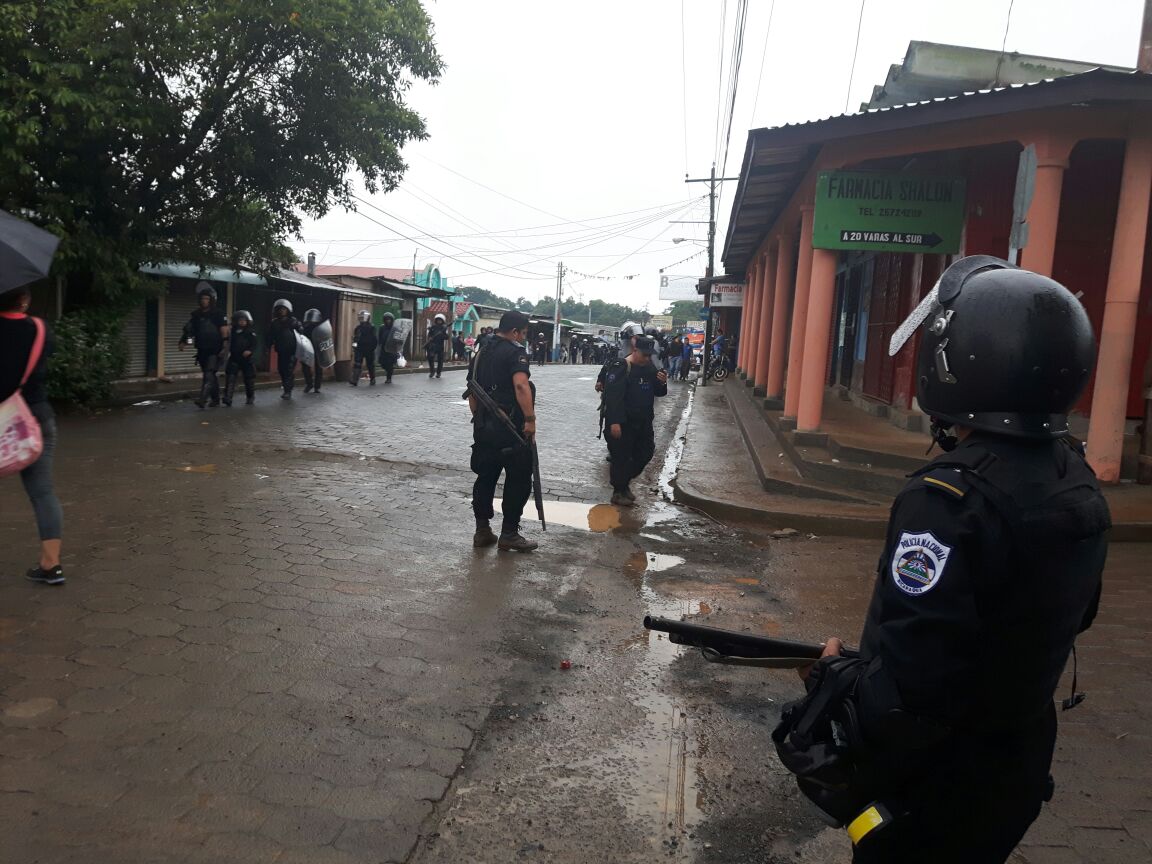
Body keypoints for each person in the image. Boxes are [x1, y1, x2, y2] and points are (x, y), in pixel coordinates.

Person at [774, 257, 1109, 864]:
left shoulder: (948, 500)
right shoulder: (1077, 480)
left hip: (932, 785)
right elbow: (1068, 616)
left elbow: (910, 688)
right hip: (1017, 762)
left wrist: (834, 678)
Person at [0, 286, 64, 585]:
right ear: (23, 298)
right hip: (34, 419)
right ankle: (51, 566)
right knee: (42, 492)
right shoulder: (40, 329)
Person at [467, 310, 538, 553]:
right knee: (518, 478)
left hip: (484, 426)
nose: (524, 338)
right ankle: (509, 533)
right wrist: (530, 420)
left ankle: (482, 530)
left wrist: (478, 420)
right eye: (524, 333)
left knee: (485, 476)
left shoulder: (480, 351)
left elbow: (472, 391)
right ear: (515, 331)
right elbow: (521, 385)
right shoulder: (515, 353)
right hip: (511, 428)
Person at [600, 335, 668, 505]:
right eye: (644, 355)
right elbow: (613, 397)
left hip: (643, 422)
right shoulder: (622, 366)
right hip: (623, 423)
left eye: (649, 355)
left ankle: (623, 483)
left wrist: (663, 383)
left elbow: (659, 393)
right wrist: (615, 422)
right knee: (621, 457)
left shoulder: (650, 368)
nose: (647, 358)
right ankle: (619, 491)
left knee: (646, 452)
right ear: (635, 350)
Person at [178, 281, 229, 409]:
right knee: (210, 375)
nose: (204, 301)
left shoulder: (218, 313)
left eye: (207, 298)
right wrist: (184, 342)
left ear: (211, 300)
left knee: (209, 373)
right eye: (202, 298)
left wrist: (224, 345)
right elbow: (190, 330)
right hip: (202, 349)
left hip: (215, 348)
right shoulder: (196, 315)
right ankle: (216, 399)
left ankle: (202, 399)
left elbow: (224, 330)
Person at [267, 298, 301, 400]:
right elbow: (270, 336)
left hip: (292, 350)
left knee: (289, 370)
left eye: (284, 309)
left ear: (288, 310)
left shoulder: (294, 322)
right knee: (281, 370)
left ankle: (287, 391)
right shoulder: (274, 323)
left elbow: (301, 334)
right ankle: (288, 386)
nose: (282, 311)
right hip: (281, 350)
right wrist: (267, 347)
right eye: (280, 309)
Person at [223, 310, 258, 406]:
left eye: (244, 320)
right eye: (240, 320)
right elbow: (228, 342)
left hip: (247, 359)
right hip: (234, 357)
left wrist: (249, 351)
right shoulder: (232, 332)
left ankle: (250, 397)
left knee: (249, 379)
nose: (242, 322)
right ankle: (228, 397)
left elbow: (254, 344)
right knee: (230, 377)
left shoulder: (250, 332)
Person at [350, 309, 378, 386]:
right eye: (361, 317)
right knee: (357, 364)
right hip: (359, 349)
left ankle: (372, 379)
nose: (362, 319)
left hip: (369, 349)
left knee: (370, 365)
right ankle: (354, 380)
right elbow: (355, 339)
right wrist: (354, 347)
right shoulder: (357, 328)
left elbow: (374, 339)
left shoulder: (372, 327)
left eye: (363, 317)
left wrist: (372, 348)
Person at [300, 308, 325, 394]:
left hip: (318, 349)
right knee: (305, 368)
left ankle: (317, 386)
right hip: (308, 349)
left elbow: (325, 339)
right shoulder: (305, 328)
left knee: (318, 368)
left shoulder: (321, 328)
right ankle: (309, 384)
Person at [425, 313, 450, 378]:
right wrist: (430, 337)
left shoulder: (444, 328)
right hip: (432, 346)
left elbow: (447, 337)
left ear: (442, 321)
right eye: (438, 320)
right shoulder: (432, 327)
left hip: (440, 346)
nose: (439, 321)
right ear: (436, 320)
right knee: (430, 359)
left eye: (440, 320)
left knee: (440, 360)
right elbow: (429, 335)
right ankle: (432, 371)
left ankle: (438, 373)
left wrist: (441, 335)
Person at [377, 312, 399, 384]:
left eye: (389, 319)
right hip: (384, 348)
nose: (388, 321)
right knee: (383, 363)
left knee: (390, 364)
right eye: (386, 319)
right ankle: (388, 372)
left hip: (391, 349)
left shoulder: (395, 328)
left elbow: (398, 338)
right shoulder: (382, 328)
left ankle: (389, 378)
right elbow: (380, 337)